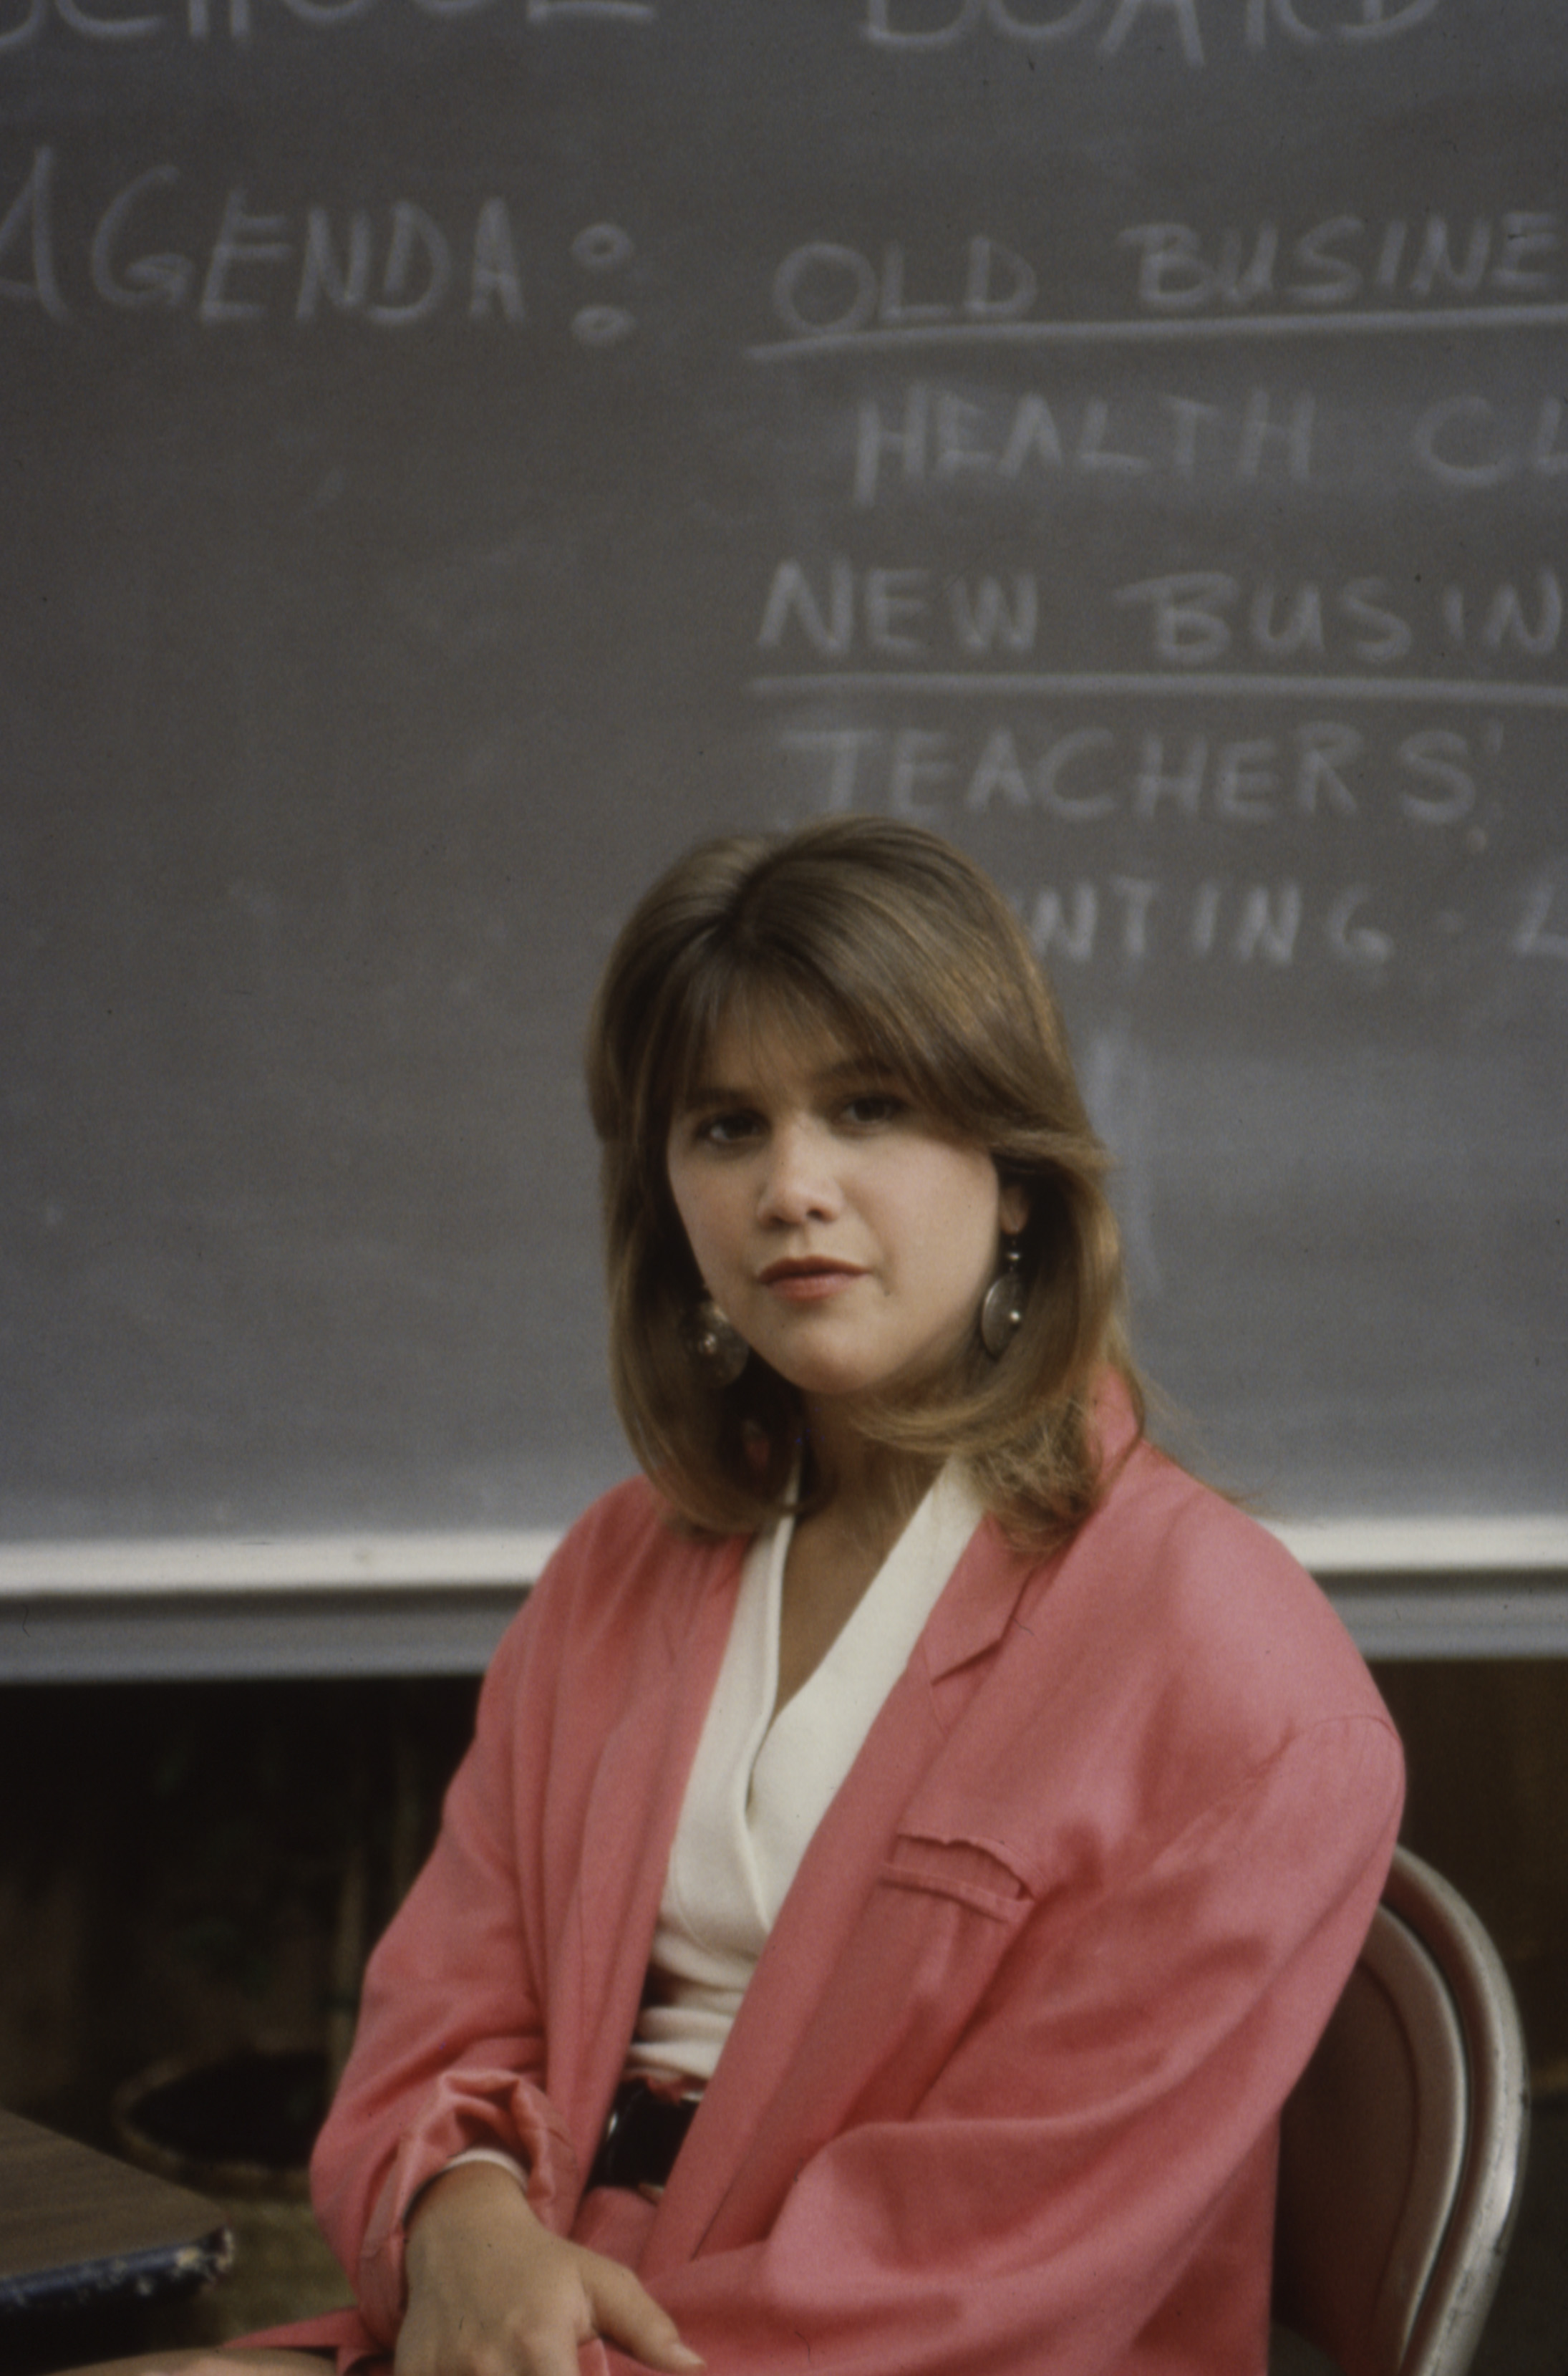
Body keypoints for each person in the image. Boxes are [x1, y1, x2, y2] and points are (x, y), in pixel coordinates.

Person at [92, 817, 1403, 2376]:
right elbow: (439, 2014)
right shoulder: (614, 1571)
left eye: (869, 1109)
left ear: (1019, 1181)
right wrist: (460, 2220)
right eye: (726, 1128)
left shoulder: (1240, 1685)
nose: (793, 1186)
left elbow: (980, 2281)